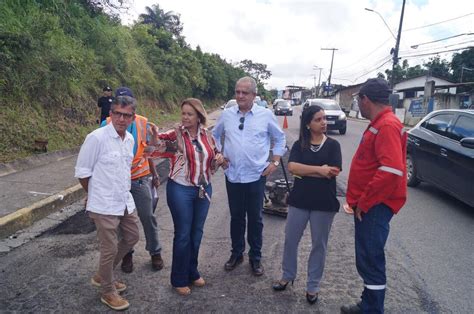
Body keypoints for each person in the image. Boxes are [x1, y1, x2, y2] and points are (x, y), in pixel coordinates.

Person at [340, 78, 407, 314]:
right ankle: (368, 304)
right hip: (371, 204)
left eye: (359, 100)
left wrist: (365, 202)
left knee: (371, 259)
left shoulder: (386, 125)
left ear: (365, 99)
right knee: (367, 257)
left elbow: (391, 171)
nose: (359, 104)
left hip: (375, 206)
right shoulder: (380, 122)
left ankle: (372, 309)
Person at [149, 98, 225, 296]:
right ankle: (178, 278)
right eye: (183, 113)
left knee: (196, 232)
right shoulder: (176, 135)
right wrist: (155, 137)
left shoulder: (208, 135)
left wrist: (219, 158)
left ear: (199, 116)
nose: (185, 117)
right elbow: (156, 145)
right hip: (180, 189)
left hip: (203, 189)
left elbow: (216, 154)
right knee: (183, 234)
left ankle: (192, 271)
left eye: (190, 114)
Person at [213, 76, 286, 276]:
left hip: (256, 175)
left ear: (254, 95)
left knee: (255, 218)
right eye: (237, 92)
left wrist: (275, 162)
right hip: (233, 175)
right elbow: (213, 135)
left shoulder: (266, 115)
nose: (240, 96)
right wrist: (219, 154)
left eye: (245, 92)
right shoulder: (227, 115)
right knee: (236, 217)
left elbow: (279, 138)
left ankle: (256, 257)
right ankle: (237, 254)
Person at [75, 93, 139, 311]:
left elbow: (124, 171)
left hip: (123, 200)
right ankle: (108, 291)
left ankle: (103, 275)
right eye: (117, 114)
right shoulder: (96, 137)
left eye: (126, 115)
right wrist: (94, 194)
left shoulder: (129, 139)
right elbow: (83, 172)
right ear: (110, 114)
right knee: (109, 247)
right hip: (103, 202)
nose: (121, 119)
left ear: (132, 118)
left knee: (132, 237)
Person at [272, 105, 342, 304]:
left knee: (319, 245)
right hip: (299, 201)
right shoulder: (299, 145)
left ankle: (313, 286)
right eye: (318, 119)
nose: (323, 123)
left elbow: (334, 170)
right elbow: (293, 167)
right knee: (290, 240)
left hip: (323, 203)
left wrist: (306, 171)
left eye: (324, 119)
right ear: (308, 124)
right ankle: (287, 275)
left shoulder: (333, 145)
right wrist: (320, 170)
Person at [101, 87, 164, 273]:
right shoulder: (106, 125)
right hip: (117, 182)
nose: (122, 116)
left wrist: (154, 174)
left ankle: (155, 252)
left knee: (148, 217)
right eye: (119, 108)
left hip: (139, 178)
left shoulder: (143, 123)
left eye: (127, 106)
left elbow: (149, 151)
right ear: (113, 108)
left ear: (133, 108)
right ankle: (127, 254)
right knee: (122, 220)